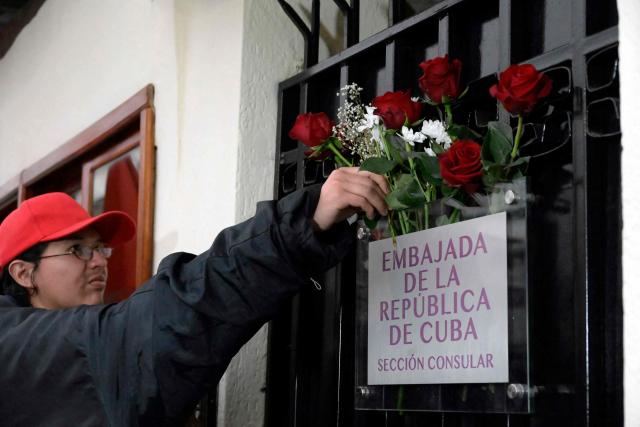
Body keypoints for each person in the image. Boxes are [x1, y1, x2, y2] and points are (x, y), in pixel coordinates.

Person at [0, 167, 389, 426]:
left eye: (100, 248)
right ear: (23, 273)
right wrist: (300, 226)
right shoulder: (22, 349)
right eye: (78, 250)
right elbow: (171, 314)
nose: (99, 262)